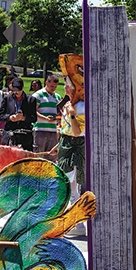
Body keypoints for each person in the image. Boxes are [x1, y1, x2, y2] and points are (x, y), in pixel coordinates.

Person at [49, 79, 85, 236]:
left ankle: (77, 223)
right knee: (69, 186)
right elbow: (66, 130)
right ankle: (76, 223)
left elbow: (77, 132)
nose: (64, 87)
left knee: (70, 186)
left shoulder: (81, 107)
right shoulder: (68, 104)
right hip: (66, 146)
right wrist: (58, 145)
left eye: (68, 85)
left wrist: (71, 114)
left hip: (74, 148)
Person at [0, 78, 37, 151]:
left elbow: (34, 118)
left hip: (24, 136)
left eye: (19, 89)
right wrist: (10, 117)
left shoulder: (31, 100)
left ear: (23, 87)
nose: (17, 92)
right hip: (10, 134)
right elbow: (0, 116)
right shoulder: (7, 98)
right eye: (15, 89)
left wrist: (23, 118)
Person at [32, 74, 62, 160]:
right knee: (39, 157)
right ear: (46, 83)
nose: (54, 88)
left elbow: (60, 113)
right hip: (40, 130)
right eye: (52, 86)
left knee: (52, 157)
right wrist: (45, 119)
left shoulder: (58, 97)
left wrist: (56, 117)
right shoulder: (38, 95)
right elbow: (33, 111)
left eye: (55, 86)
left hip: (53, 131)